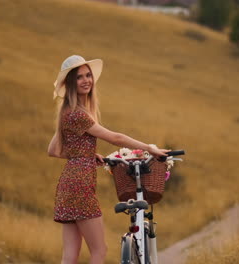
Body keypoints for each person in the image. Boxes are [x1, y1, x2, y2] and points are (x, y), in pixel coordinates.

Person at [47, 55, 169, 264]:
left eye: (88, 75)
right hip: (81, 185)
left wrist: (84, 155)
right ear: (70, 83)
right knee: (99, 250)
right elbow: (115, 138)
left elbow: (53, 150)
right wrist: (149, 148)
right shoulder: (78, 114)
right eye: (79, 77)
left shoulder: (67, 113)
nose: (86, 80)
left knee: (69, 255)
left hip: (67, 185)